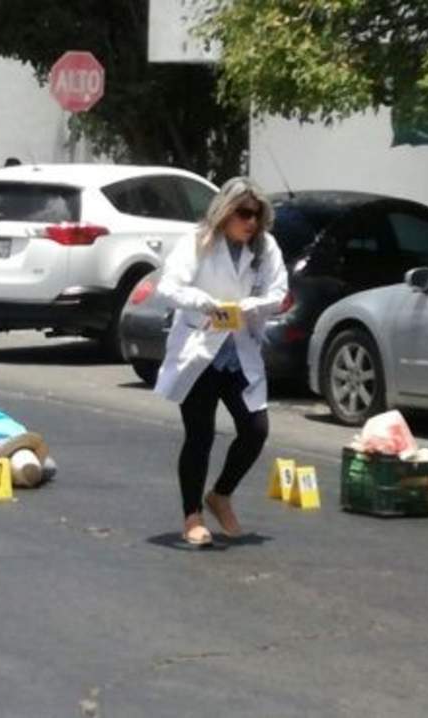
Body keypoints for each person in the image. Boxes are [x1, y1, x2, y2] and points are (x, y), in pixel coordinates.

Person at [155, 177, 288, 546]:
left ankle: (221, 495)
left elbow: (279, 293)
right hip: (200, 350)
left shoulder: (265, 247)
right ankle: (192, 516)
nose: (251, 222)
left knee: (255, 429)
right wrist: (204, 303)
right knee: (200, 435)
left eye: (257, 215)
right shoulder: (198, 241)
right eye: (244, 214)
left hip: (239, 351)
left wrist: (250, 306)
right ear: (225, 212)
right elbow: (168, 287)